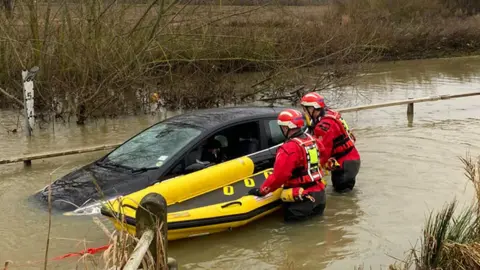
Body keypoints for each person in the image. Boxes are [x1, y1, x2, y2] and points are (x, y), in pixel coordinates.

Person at [247, 108, 333, 222]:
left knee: (295, 234)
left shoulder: (288, 148)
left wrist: (262, 191)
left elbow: (279, 176)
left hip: (301, 200)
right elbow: (324, 155)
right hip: (320, 196)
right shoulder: (313, 140)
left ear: (285, 127)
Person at [300, 92, 361, 193]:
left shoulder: (323, 126)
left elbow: (323, 152)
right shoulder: (330, 114)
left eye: (306, 109)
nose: (305, 112)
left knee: (342, 196)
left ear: (312, 108)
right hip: (351, 160)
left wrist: (312, 171)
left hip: (344, 164)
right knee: (345, 192)